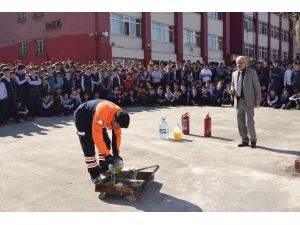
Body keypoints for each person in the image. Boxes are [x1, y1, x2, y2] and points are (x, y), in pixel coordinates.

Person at [73, 99, 130, 185]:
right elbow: (97, 137)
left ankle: (104, 168)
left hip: (96, 118)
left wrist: (116, 154)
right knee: (89, 147)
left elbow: (117, 137)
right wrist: (107, 155)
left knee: (106, 143)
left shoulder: (119, 114)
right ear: (114, 120)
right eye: (118, 126)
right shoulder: (102, 112)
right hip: (83, 118)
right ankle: (94, 175)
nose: (118, 128)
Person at [229, 56, 261, 148]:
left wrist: (258, 100)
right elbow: (232, 84)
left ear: (246, 63)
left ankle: (253, 140)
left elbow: (257, 87)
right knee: (240, 123)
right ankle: (244, 140)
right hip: (238, 101)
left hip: (248, 101)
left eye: (241, 62)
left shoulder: (252, 73)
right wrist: (231, 89)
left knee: (249, 122)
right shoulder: (234, 73)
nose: (239, 64)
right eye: (238, 62)